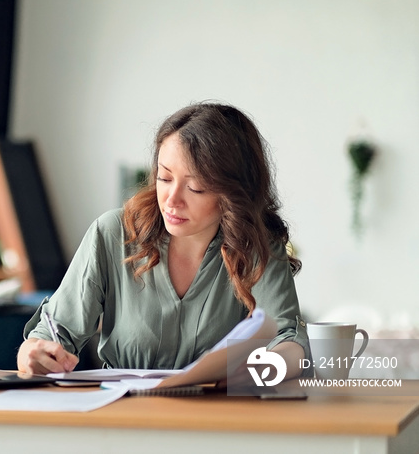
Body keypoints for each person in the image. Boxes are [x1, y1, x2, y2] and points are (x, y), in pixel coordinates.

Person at [17, 102, 310, 380]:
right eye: (165, 178)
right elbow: (51, 335)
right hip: (122, 413)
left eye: (195, 187)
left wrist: (264, 368)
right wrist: (34, 354)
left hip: (219, 417)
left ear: (234, 194)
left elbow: (289, 339)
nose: (171, 200)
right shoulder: (112, 234)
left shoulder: (257, 246)